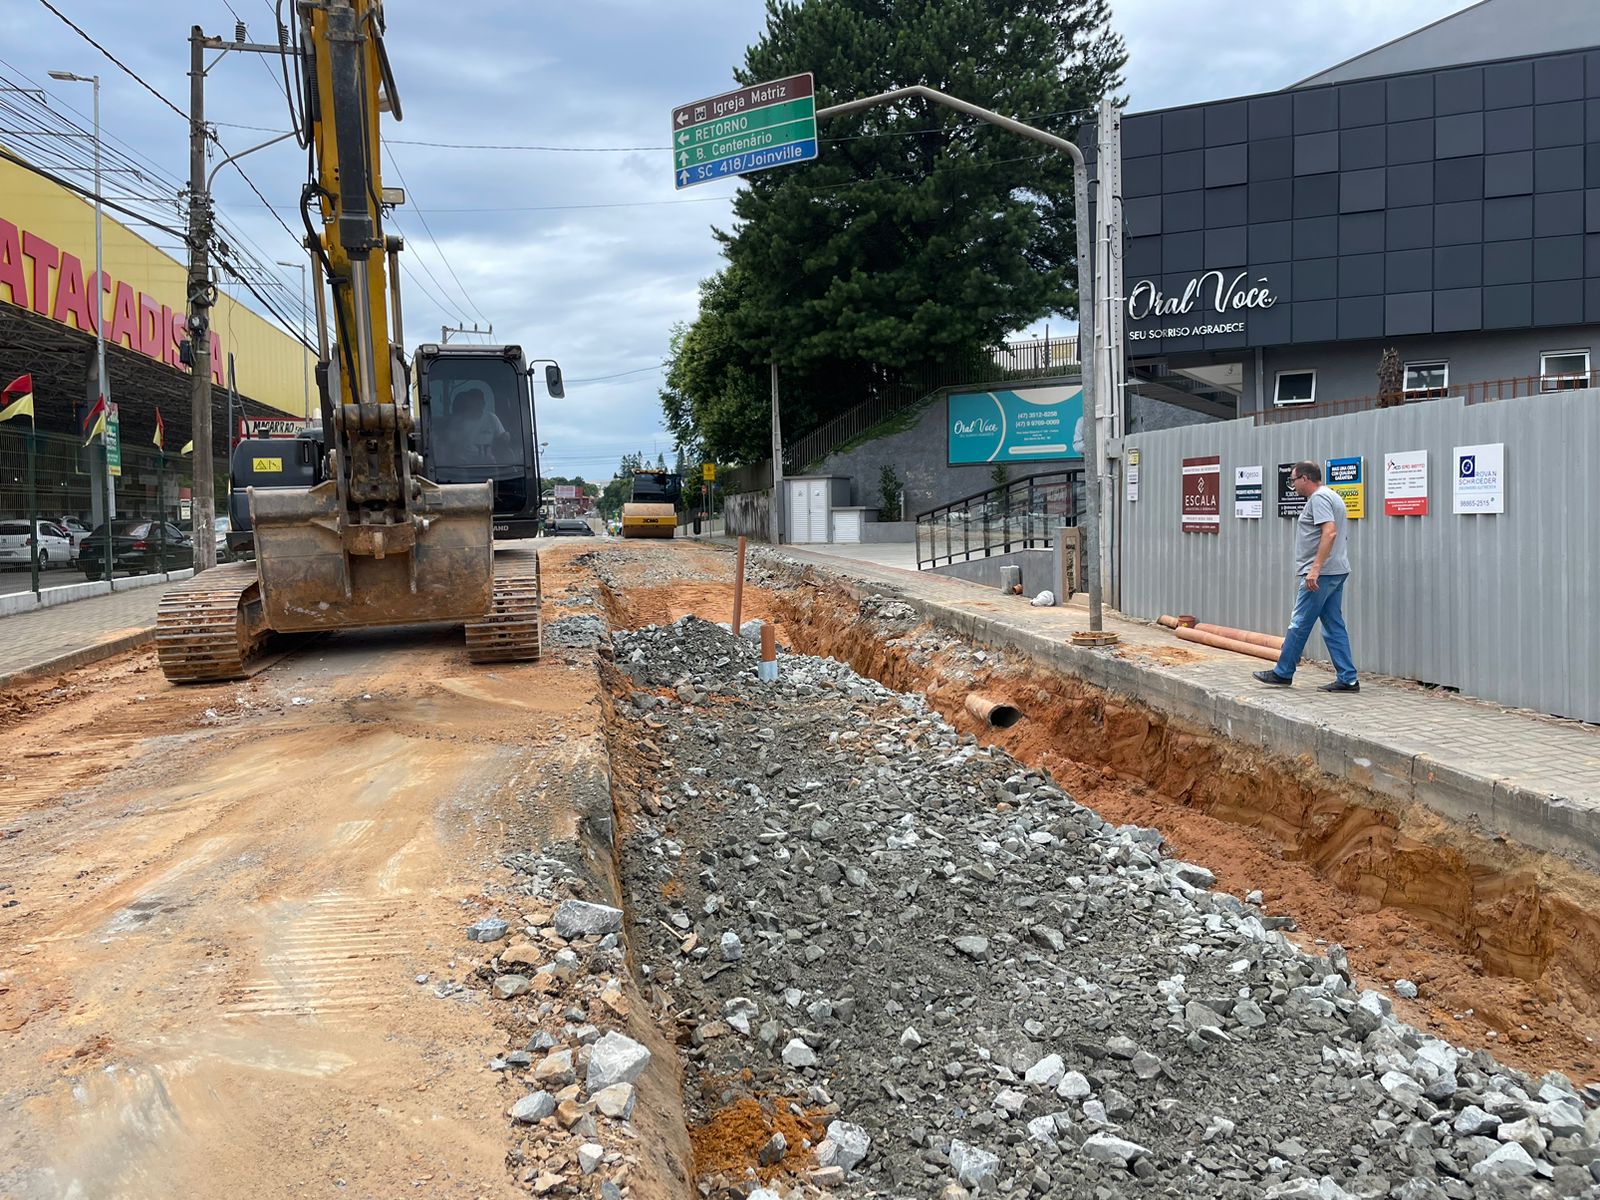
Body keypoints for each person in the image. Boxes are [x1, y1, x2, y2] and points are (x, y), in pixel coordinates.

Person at [1253, 460, 1359, 693]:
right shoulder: (1332, 495)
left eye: (1293, 480)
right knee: (1333, 624)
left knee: (1299, 622)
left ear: (1305, 478)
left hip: (1322, 574)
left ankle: (1282, 672)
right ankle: (1348, 678)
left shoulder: (1319, 499)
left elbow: (1330, 532)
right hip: (1337, 570)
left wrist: (1315, 569)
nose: (1292, 485)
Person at [442, 386, 507, 462]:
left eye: (479, 401)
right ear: (467, 403)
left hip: (488, 462)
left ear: (483, 403)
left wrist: (505, 437)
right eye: (473, 401)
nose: (476, 404)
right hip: (463, 464)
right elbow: (449, 443)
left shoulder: (491, 418)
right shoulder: (458, 421)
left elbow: (503, 437)